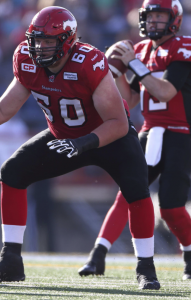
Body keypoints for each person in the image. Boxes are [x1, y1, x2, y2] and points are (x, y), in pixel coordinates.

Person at [0, 6, 160, 290]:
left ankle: (146, 268)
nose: (40, 47)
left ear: (67, 40)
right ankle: (11, 260)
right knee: (13, 172)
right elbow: (5, 107)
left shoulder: (87, 62)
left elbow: (118, 122)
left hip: (108, 136)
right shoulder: (26, 59)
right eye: (37, 40)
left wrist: (82, 143)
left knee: (137, 191)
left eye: (48, 41)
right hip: (63, 136)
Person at [78, 0, 191, 281]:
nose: (153, 22)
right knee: (126, 195)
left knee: (171, 208)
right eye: (149, 17)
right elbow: (128, 99)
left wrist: (134, 66)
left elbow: (165, 92)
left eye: (160, 16)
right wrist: (112, 73)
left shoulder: (182, 47)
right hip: (148, 131)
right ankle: (98, 255)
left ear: (174, 19)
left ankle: (189, 252)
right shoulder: (140, 50)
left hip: (180, 134)